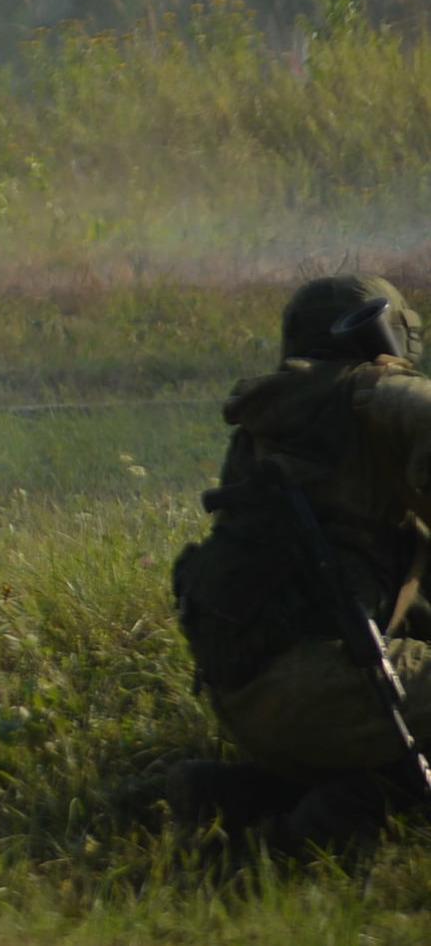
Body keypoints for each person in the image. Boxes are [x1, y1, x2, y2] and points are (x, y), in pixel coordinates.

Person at [161, 273, 431, 846]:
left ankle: (239, 794)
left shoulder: (275, 422)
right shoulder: (377, 396)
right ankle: (288, 840)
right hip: (327, 681)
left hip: (247, 693)